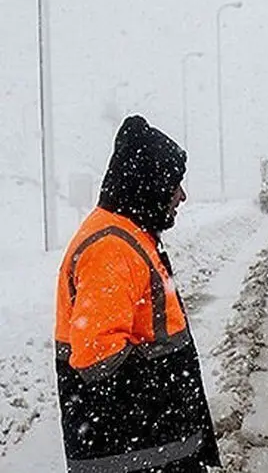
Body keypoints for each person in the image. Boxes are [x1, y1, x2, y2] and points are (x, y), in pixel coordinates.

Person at [54, 115, 221, 472]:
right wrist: (167, 396)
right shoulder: (111, 247)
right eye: (175, 184)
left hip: (150, 452)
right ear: (152, 183)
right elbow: (97, 358)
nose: (182, 196)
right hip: (135, 457)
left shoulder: (130, 235)